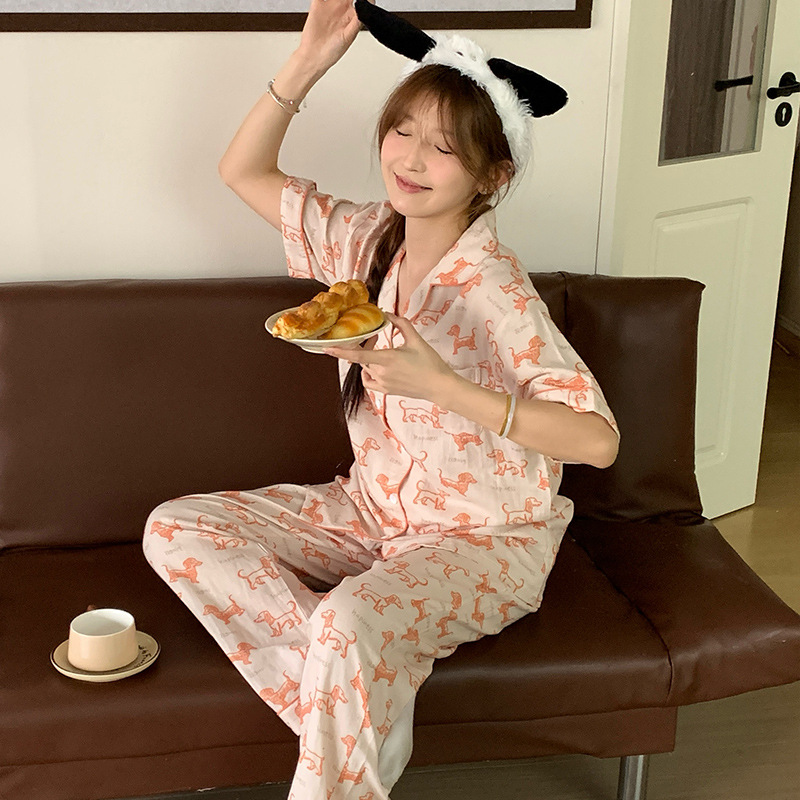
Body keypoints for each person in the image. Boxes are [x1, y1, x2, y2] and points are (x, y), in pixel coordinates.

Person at [143, 1, 620, 798]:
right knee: (178, 528)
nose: (411, 158)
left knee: (343, 622)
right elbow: (244, 173)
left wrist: (447, 387)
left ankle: (348, 724)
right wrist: (308, 60)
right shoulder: (367, 239)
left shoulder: (497, 292)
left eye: (444, 147)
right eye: (403, 129)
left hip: (485, 542)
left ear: (491, 177)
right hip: (372, 513)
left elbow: (598, 442)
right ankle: (363, 705)